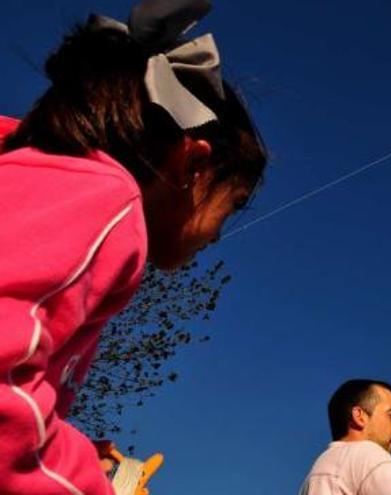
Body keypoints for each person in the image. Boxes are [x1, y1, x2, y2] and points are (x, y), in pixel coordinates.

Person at [0, 0, 267, 493]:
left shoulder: (35, 178)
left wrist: (68, 445)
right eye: (230, 207)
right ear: (192, 167)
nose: (216, 236)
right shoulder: (107, 197)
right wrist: (86, 483)